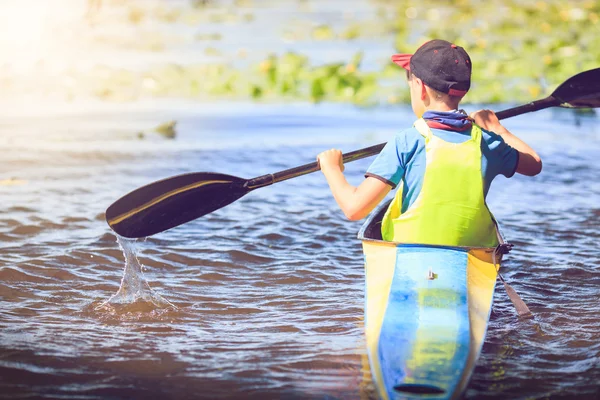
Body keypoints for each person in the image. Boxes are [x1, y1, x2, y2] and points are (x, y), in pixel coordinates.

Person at [317, 39, 542, 247]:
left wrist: (332, 168)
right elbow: (534, 164)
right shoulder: (487, 142)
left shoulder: (406, 141)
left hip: (411, 253)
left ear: (420, 87)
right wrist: (497, 128)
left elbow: (354, 209)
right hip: (472, 253)